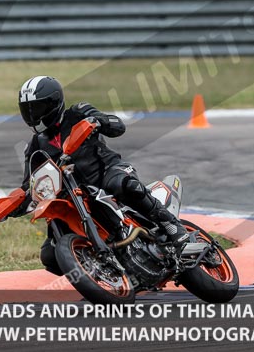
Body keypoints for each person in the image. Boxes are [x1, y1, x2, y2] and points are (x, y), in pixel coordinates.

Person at [15, 75, 188, 275]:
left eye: (37, 108)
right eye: (27, 110)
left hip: (106, 171)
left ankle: (173, 227)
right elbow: (29, 183)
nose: (33, 115)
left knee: (123, 185)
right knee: (50, 255)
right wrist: (15, 203)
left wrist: (98, 121)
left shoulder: (78, 112)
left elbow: (118, 126)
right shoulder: (35, 147)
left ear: (54, 103)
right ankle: (105, 273)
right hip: (74, 194)